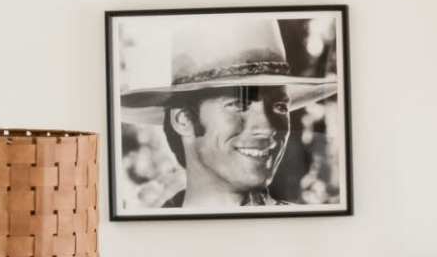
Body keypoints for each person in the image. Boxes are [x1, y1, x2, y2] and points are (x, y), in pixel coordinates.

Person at [118, 17, 341, 211]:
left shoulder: (307, 232)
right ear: (183, 119)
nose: (269, 127)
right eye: (239, 104)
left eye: (280, 106)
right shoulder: (151, 238)